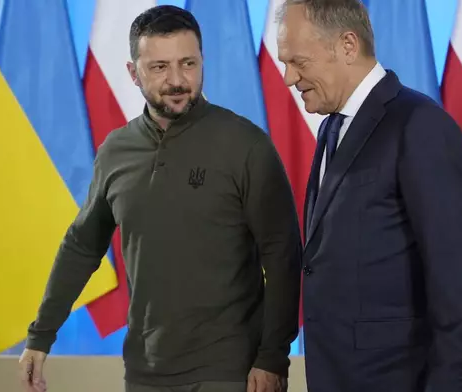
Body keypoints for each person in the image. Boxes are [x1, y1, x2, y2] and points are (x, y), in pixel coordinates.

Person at [18, 5, 301, 392]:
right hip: (144, 372)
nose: (177, 80)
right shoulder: (116, 150)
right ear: (133, 73)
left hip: (230, 370)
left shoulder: (246, 145)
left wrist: (272, 358)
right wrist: (40, 335)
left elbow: (283, 255)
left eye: (188, 63)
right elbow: (82, 246)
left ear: (203, 61)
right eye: (159, 67)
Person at [275, 1, 462, 391]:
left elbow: (457, 283)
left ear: (348, 46)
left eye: (298, 62)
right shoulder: (331, 130)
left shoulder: (419, 125)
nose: (289, 78)